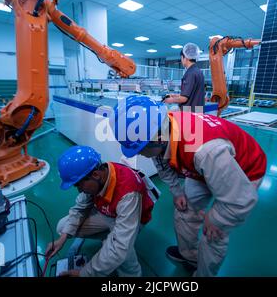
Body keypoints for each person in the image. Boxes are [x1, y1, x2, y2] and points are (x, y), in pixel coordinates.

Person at [111, 95, 267, 277]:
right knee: (185, 212)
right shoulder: (162, 127)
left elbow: (240, 199)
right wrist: (177, 192)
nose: (140, 154)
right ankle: (191, 257)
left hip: (243, 171)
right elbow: (161, 162)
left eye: (141, 148)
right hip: (201, 167)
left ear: (158, 139)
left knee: (214, 234)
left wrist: (217, 218)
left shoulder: (206, 151)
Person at [45, 145, 155, 277]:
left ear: (96, 175)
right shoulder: (99, 173)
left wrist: (84, 273)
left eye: (79, 185)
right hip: (110, 214)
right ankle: (110, 237)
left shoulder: (128, 194)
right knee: (63, 227)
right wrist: (62, 239)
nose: (79, 190)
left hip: (133, 218)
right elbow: (80, 208)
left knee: (122, 251)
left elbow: (119, 247)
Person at [164, 43, 205, 112]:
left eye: (181, 58)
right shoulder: (199, 72)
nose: (181, 60)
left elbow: (184, 99)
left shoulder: (190, 73)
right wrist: (176, 96)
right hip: (198, 110)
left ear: (185, 57)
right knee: (197, 123)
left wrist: (170, 100)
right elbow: (193, 94)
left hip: (188, 111)